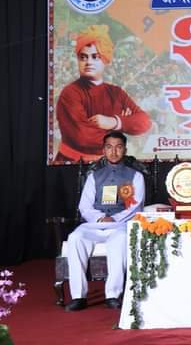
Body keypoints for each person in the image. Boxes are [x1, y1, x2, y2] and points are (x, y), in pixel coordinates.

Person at [64, 131, 145, 311]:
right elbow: (84, 206)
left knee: (120, 239)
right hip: (94, 224)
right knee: (75, 238)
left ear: (125, 150)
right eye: (109, 147)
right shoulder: (94, 176)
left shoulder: (135, 176)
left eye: (118, 147)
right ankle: (78, 296)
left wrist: (114, 218)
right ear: (103, 150)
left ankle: (112, 295)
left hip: (120, 225)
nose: (114, 152)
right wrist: (100, 217)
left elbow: (136, 207)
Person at [55, 24, 151, 163]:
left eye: (95, 57)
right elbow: (83, 137)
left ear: (105, 60)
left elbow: (144, 122)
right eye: (83, 57)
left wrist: (113, 122)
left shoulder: (116, 92)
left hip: (111, 165)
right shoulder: (70, 92)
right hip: (75, 164)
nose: (88, 62)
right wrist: (125, 126)